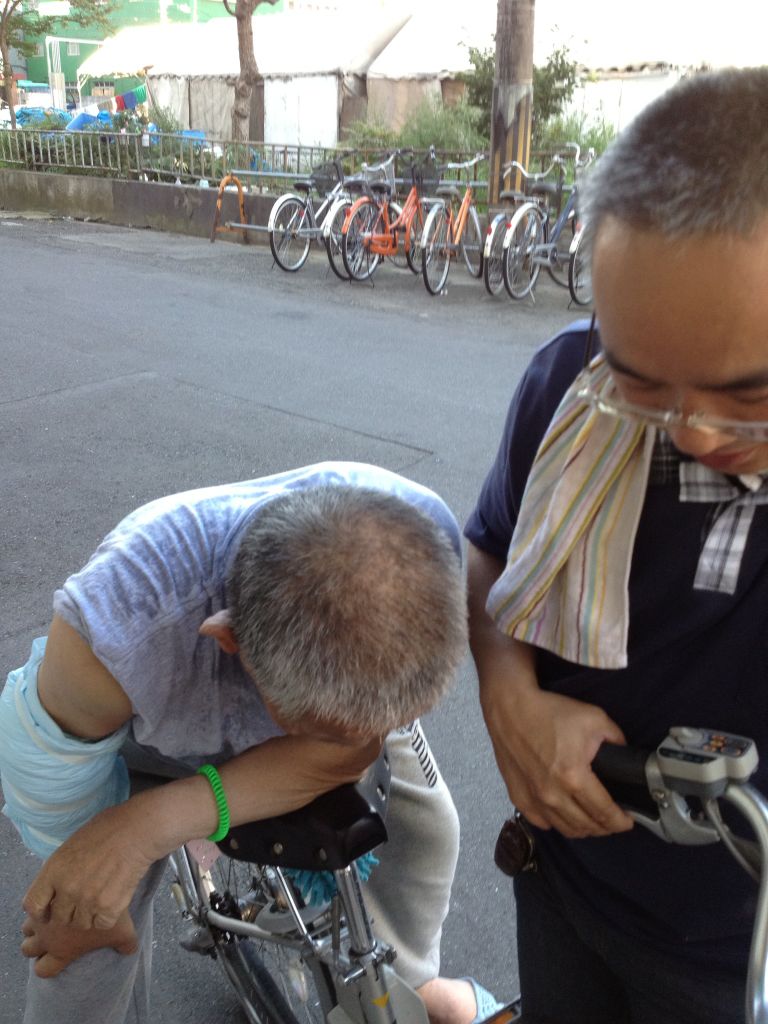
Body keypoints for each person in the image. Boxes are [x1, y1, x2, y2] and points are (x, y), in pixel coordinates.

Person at [465, 67, 768, 1024]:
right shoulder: (572, 386)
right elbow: (490, 550)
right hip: (564, 881)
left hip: (739, 957)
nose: (694, 431)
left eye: (749, 394)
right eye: (642, 381)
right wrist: (509, 697)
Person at [0, 461, 502, 1024]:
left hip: (342, 685)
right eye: (328, 730)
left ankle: (412, 986)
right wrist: (122, 842)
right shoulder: (118, 633)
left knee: (425, 831)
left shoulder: (421, 543)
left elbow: (350, 750)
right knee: (80, 939)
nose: (361, 746)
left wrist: (162, 819)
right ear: (228, 638)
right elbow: (42, 776)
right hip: (145, 729)